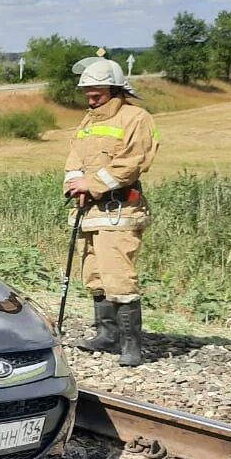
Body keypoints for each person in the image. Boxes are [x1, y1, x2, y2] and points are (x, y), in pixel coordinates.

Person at [63, 56, 159, 367]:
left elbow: (132, 163)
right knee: (94, 275)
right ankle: (107, 335)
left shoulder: (136, 118)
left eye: (97, 94)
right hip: (89, 212)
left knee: (119, 276)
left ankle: (131, 345)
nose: (90, 100)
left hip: (120, 210)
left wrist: (89, 184)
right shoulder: (89, 121)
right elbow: (74, 156)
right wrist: (72, 182)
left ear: (116, 90)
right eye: (87, 94)